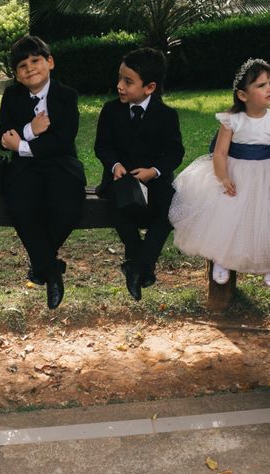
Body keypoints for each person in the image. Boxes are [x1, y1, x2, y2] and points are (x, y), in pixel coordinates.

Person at [169, 58, 270, 287]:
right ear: (243, 95)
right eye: (261, 85)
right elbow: (219, 153)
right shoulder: (232, 121)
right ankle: (221, 259)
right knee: (226, 217)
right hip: (235, 172)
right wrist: (223, 177)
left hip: (268, 172)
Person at [0, 35, 86, 310]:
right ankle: (52, 272)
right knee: (20, 206)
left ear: (50, 62)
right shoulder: (12, 96)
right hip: (25, 169)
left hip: (62, 165)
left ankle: (40, 265)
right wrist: (30, 131)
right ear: (17, 75)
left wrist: (21, 145)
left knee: (69, 205)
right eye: (22, 65)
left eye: (35, 61)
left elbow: (62, 140)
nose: (30, 68)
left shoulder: (66, 96)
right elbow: (1, 135)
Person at [94, 47, 184, 301]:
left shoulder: (166, 115)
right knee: (116, 206)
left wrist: (153, 171)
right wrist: (114, 165)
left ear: (150, 87)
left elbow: (175, 152)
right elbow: (103, 146)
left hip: (154, 180)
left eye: (128, 81)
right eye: (120, 78)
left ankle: (138, 265)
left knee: (169, 209)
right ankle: (139, 262)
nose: (120, 86)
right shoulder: (111, 111)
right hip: (120, 179)